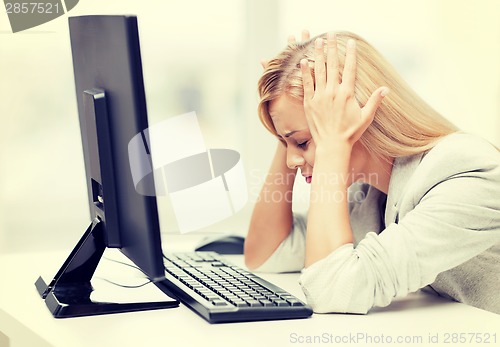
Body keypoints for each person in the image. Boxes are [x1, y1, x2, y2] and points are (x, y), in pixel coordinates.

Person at [244, 30, 500, 314]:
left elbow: (331, 289)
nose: (292, 160)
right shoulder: (369, 193)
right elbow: (265, 253)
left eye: (303, 142)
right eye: (286, 144)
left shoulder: (465, 172)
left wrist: (330, 144)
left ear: (356, 114)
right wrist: (290, 125)